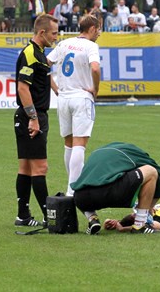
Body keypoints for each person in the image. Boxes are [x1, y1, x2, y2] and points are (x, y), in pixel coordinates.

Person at [46, 13, 102, 234]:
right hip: (81, 98)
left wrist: (55, 87)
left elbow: (45, 65)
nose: (99, 33)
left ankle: (72, 187)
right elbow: (95, 69)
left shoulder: (64, 43)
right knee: (80, 145)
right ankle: (72, 190)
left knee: (69, 144)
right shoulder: (90, 46)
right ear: (93, 28)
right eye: (99, 30)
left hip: (64, 99)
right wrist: (95, 89)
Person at [12, 14, 59, 228]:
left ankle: (23, 216)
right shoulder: (30, 53)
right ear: (42, 33)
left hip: (33, 116)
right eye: (53, 33)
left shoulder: (40, 54)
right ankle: (50, 218)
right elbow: (23, 87)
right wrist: (33, 118)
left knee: (26, 168)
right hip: (31, 116)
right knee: (40, 168)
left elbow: (45, 79)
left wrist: (61, 92)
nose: (55, 37)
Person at [71, 142, 160, 234]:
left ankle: (92, 219)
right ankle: (140, 225)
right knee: (151, 171)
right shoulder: (134, 153)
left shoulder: (97, 153)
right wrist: (149, 207)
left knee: (81, 190)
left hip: (80, 198)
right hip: (112, 192)